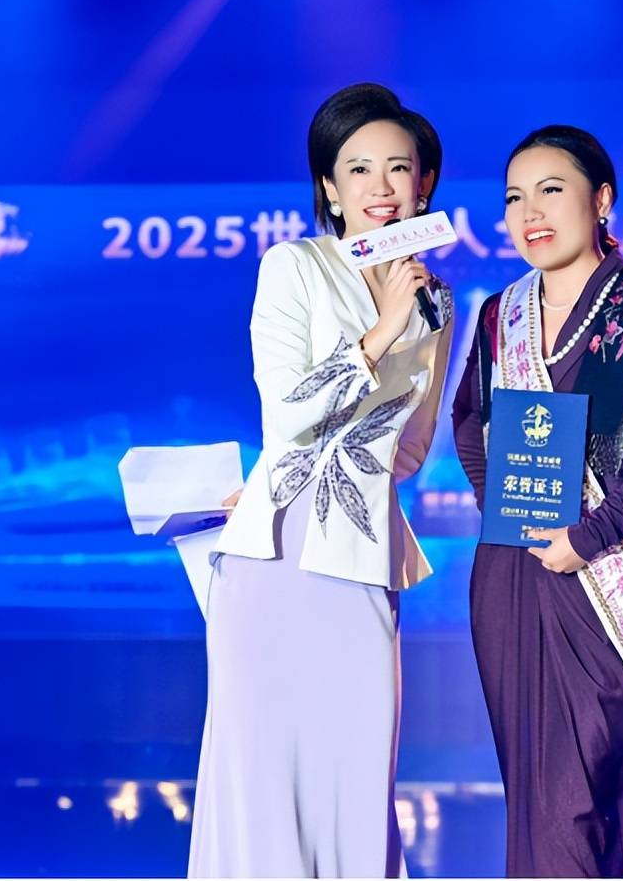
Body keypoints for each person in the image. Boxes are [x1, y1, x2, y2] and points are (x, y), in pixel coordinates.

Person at [190, 83, 453, 878]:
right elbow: (286, 412)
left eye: (398, 167)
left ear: (423, 186)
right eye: (358, 169)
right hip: (277, 553)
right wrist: (381, 331)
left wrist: (407, 323)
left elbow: (409, 449)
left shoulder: (435, 302)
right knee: (264, 765)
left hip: (363, 545)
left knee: (357, 767)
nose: (380, 186)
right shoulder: (295, 266)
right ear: (330, 189)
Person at [450, 125, 623, 877]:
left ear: (601, 200)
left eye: (550, 190)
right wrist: (507, 507)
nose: (529, 211)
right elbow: (468, 419)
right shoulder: (502, 313)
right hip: (512, 573)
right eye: (514, 198)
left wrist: (586, 537)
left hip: (600, 571)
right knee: (536, 794)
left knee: (584, 791)